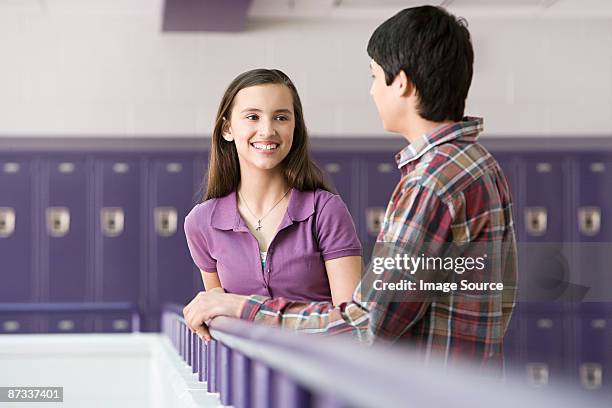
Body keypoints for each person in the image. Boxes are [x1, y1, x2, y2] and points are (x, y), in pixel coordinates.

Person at [183, 6, 517, 372]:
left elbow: (365, 326)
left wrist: (242, 307)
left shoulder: (430, 182)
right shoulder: (476, 163)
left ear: (401, 83)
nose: (373, 91)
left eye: (375, 76)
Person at [183, 68, 363, 339]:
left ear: (295, 127)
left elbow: (352, 323)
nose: (267, 130)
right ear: (227, 128)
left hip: (318, 375)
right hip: (246, 378)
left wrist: (245, 307)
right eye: (252, 117)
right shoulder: (201, 223)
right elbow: (218, 317)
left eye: (281, 117)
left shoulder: (326, 211)